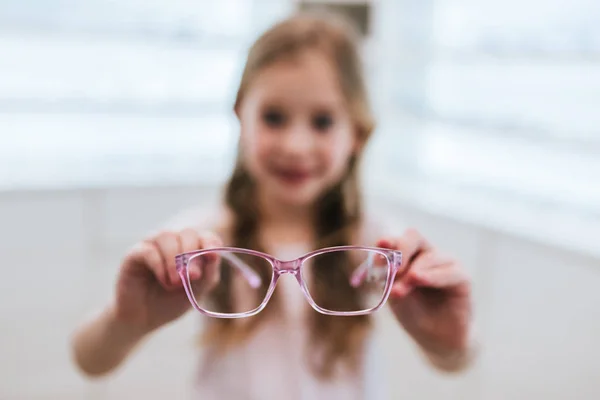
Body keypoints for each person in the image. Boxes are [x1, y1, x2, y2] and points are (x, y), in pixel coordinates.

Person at [71, 12, 476, 400]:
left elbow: (458, 360)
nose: (295, 146)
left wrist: (446, 343)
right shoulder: (204, 242)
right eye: (274, 117)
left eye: (322, 122)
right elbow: (89, 360)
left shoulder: (376, 247)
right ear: (239, 116)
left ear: (358, 132)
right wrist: (127, 322)